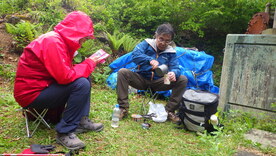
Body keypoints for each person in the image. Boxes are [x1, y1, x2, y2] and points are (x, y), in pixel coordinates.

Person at [14, 11, 104, 150]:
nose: (83, 42)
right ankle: (65, 132)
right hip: (32, 94)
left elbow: (64, 72)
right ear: (75, 34)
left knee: (84, 77)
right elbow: (64, 77)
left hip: (44, 86)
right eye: (83, 38)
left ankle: (80, 121)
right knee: (81, 83)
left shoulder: (60, 41)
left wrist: (87, 65)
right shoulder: (53, 42)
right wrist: (89, 63)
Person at [117, 23, 188, 123]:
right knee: (122, 72)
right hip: (141, 78)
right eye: (161, 39)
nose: (163, 43)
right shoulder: (147, 44)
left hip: (160, 81)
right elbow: (135, 55)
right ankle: (123, 108)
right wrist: (149, 60)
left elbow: (175, 67)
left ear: (171, 41)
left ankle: (169, 111)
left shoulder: (171, 52)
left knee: (182, 79)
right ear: (156, 35)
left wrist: (173, 73)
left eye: (167, 41)